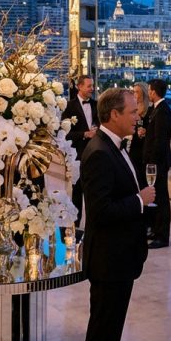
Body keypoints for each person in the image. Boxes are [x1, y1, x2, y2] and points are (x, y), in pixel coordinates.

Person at [80, 87, 156, 341]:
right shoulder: (99, 152)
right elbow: (101, 211)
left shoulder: (114, 147)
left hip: (121, 256)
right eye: (132, 112)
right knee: (102, 329)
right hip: (109, 259)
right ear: (114, 115)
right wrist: (139, 201)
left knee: (109, 329)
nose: (137, 116)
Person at [64, 75, 98, 227]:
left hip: (95, 153)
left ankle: (93, 223)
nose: (92, 89)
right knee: (77, 190)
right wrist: (85, 134)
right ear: (79, 86)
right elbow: (65, 133)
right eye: (89, 86)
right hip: (77, 154)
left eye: (92, 86)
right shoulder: (69, 107)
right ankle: (75, 225)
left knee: (94, 189)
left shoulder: (96, 105)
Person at [143, 78, 171, 249]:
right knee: (156, 196)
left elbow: (160, 141)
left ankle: (163, 236)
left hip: (158, 163)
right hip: (155, 162)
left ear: (154, 92)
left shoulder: (163, 110)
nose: (148, 92)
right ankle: (155, 229)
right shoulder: (156, 109)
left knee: (162, 198)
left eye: (149, 89)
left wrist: (152, 163)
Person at [128, 82, 150, 173]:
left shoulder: (149, 109)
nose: (134, 94)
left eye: (137, 92)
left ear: (143, 93)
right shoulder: (132, 107)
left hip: (144, 145)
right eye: (133, 91)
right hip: (134, 143)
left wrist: (145, 132)